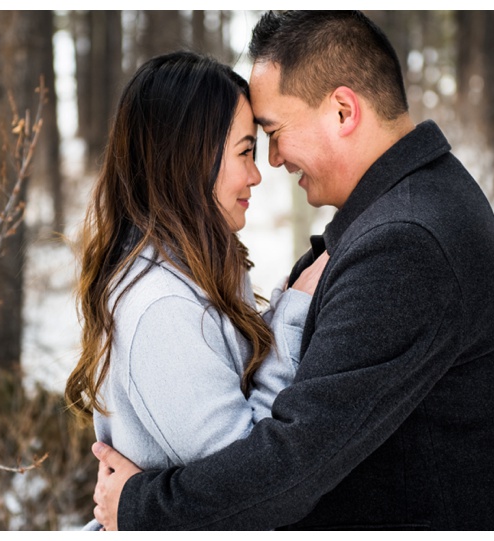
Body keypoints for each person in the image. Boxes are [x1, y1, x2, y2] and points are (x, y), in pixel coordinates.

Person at [91, 11, 494, 531]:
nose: (272, 161)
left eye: (273, 132)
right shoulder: (407, 209)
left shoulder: (407, 242)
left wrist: (141, 508)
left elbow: (287, 467)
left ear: (343, 111)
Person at [64, 51, 329, 530]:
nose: (256, 174)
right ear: (190, 158)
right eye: (245, 151)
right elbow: (250, 483)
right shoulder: (160, 307)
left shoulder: (199, 270)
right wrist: (290, 320)